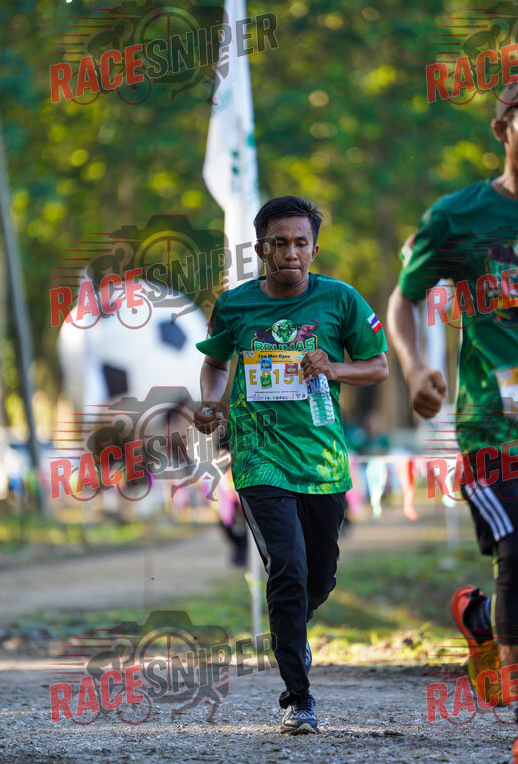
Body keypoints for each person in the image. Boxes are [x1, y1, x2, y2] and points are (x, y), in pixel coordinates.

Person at [194, 196, 388, 734]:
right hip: (258, 454)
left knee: (318, 578)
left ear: (314, 250)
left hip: (322, 459)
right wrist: (210, 403)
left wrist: (334, 367)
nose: (291, 253)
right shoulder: (234, 305)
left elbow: (378, 366)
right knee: (288, 566)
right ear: (261, 249)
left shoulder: (340, 299)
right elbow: (215, 364)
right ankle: (297, 699)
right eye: (279, 243)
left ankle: (290, 629)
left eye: (301, 243)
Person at [387, 83, 518, 748]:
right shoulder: (457, 216)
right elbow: (405, 297)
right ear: (502, 128)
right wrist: (415, 369)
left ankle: (482, 620)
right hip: (493, 425)